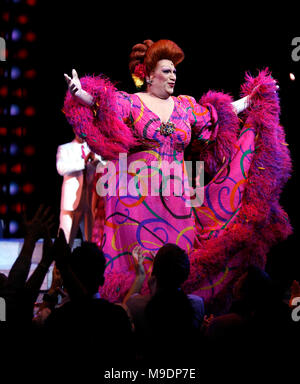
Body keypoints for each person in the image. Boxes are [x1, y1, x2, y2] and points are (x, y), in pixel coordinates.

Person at [63, 39, 292, 309]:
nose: (174, 75)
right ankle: (132, 319)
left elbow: (220, 114)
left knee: (178, 259)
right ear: (148, 75)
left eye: (174, 71)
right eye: (167, 70)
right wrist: (80, 94)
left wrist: (252, 99)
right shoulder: (132, 103)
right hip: (136, 201)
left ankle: (178, 319)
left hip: (177, 200)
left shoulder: (185, 106)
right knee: (141, 262)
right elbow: (102, 107)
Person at [123, 243, 205, 363]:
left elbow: (122, 311)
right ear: (185, 275)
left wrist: (140, 276)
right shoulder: (197, 304)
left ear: (154, 276)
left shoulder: (135, 305)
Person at [56, 133, 105, 248]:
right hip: (71, 201)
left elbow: (105, 168)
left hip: (89, 201)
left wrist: (97, 160)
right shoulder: (65, 148)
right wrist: (82, 163)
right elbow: (61, 168)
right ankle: (59, 265)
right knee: (66, 239)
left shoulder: (94, 150)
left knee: (90, 240)